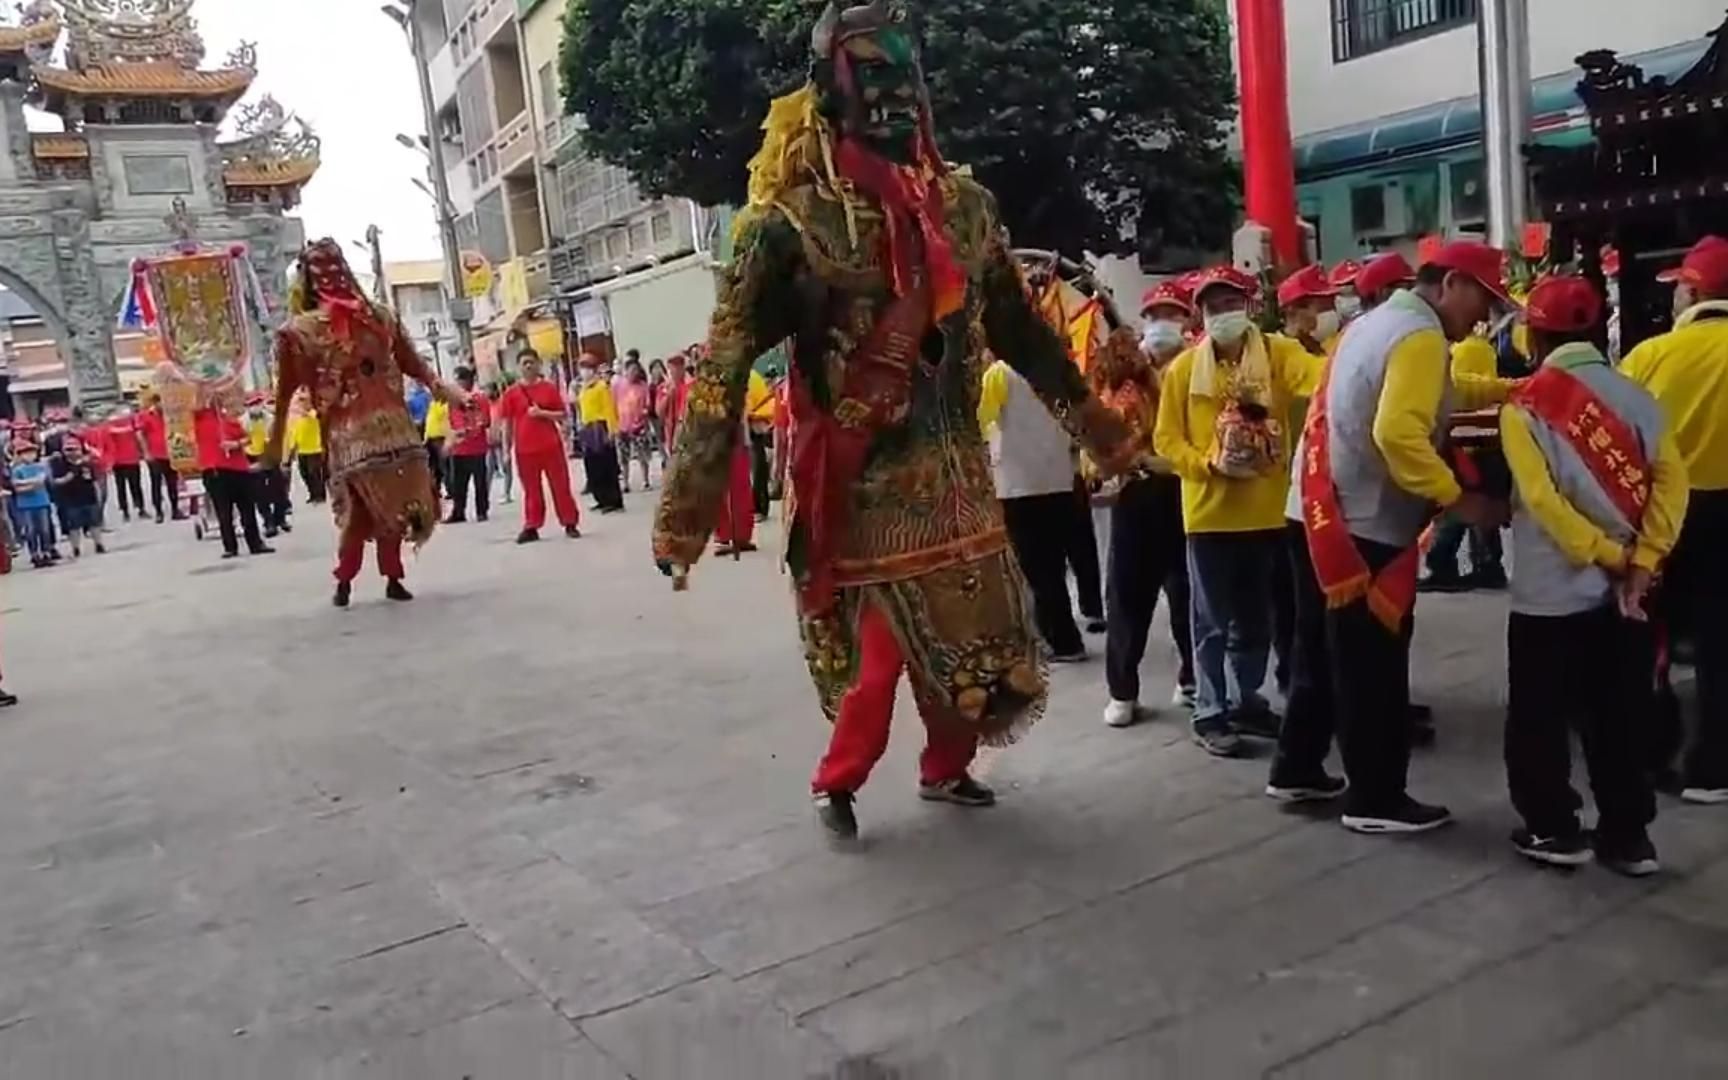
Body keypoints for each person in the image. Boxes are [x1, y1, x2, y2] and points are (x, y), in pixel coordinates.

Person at [651, 0, 1138, 842]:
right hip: (863, 485)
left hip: (957, 475)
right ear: (826, 91)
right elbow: (724, 362)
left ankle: (945, 770)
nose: (895, 97)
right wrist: (688, 511)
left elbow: (1022, 331)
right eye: (870, 75)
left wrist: (1098, 424)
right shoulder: (787, 226)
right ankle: (837, 781)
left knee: (979, 651)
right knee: (878, 666)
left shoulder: (965, 209)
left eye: (905, 76)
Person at [1280, 241, 1519, 833]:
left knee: (1320, 651)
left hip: (1314, 511)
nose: (1484, 316)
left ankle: (1297, 766)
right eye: (1483, 299)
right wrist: (1459, 500)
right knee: (1371, 668)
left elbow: (1435, 394)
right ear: (1452, 283)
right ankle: (1375, 799)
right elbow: (1400, 432)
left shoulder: (1378, 322)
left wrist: (1508, 390)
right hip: (1363, 524)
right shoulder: (1419, 337)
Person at [1498, 274, 1686, 876]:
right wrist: (1642, 563)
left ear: (1536, 335)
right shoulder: (1638, 398)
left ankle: (1554, 828)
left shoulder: (1525, 405)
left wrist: (1606, 555)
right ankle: (1628, 837)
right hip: (1624, 596)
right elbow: (1671, 484)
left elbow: (1543, 502)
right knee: (1619, 713)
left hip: (1550, 595)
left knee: (1539, 716)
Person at [1153, 265, 1321, 757]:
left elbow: (1318, 379)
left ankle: (1248, 699)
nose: (1223, 314)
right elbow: (1166, 438)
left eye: (1231, 305)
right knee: (1209, 621)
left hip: (1267, 512)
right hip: (1208, 514)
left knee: (1257, 621)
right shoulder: (1185, 369)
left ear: (1249, 308)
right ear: (1200, 315)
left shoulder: (1276, 355)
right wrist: (1205, 464)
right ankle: (1210, 710)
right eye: (1213, 307)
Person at [265, 239, 463, 606]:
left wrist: (275, 439)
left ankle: (346, 582)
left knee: (357, 518)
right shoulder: (381, 316)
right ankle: (390, 578)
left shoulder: (299, 332)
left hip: (349, 439)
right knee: (393, 511)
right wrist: (441, 388)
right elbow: (415, 364)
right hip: (397, 433)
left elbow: (285, 392)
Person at [1623, 235, 1728, 805]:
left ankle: (1648, 756)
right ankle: (1715, 767)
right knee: (1721, 642)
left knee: (1652, 638)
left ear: (1695, 290)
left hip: (1667, 515)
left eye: (1679, 288)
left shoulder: (1649, 355)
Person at [1098, 306, 1190, 727]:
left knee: (1188, 592)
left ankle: (1192, 678)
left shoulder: (1197, 366)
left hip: (1186, 487)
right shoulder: (1126, 374)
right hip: (1136, 493)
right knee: (1127, 594)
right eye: (1155, 315)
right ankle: (1123, 690)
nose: (1162, 324)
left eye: (1172, 315)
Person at [979, 353, 1099, 661]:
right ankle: (1062, 635)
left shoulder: (999, 375)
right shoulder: (1055, 370)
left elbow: (981, 422)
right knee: (1054, 565)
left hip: (1019, 485)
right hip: (1058, 480)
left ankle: (1062, 641)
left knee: (1037, 569)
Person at [498, 350, 581, 542]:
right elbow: (507, 424)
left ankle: (570, 522)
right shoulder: (511, 394)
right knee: (531, 490)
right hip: (524, 450)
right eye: (524, 363)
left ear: (538, 364)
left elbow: (562, 415)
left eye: (531, 362)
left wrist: (542, 413)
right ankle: (532, 525)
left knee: (561, 486)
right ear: (518, 367)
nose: (528, 366)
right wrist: (506, 450)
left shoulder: (549, 389)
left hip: (551, 446)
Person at [194, 399, 271, 560]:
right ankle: (230, 547)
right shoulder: (198, 419)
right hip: (214, 470)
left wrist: (235, 444)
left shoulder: (228, 420)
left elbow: (246, 438)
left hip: (238, 469)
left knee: (247, 508)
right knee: (224, 511)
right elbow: (195, 402)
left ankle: (255, 543)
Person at [575, 355, 625, 515]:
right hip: (587, 428)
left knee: (606, 465)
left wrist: (612, 430)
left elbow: (609, 408)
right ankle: (601, 498)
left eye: (587, 367)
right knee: (593, 466)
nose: (584, 371)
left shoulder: (602, 386)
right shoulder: (583, 388)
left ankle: (613, 500)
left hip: (601, 426)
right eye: (582, 367)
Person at [445, 365, 493, 523]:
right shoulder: (453, 401)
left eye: (460, 380)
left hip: (476, 447)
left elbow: (485, 420)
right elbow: (451, 421)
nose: (458, 384)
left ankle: (482, 510)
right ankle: (458, 511)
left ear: (467, 381)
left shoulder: (480, 398)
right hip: (459, 448)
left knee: (480, 481)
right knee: (458, 483)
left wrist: (470, 430)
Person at [244, 394, 291, 538]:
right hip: (252, 457)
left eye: (257, 403)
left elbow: (283, 439)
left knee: (279, 490)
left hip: (270, 455)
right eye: (252, 404)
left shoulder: (271, 420)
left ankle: (280, 518)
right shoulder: (242, 422)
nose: (255, 407)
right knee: (259, 493)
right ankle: (268, 522)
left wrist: (284, 460)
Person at [49, 437, 105, 557]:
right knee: (73, 526)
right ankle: (75, 548)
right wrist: (68, 476)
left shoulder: (87, 463)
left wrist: (99, 494)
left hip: (89, 496)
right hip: (70, 499)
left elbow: (94, 479)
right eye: (69, 449)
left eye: (75, 449)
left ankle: (99, 544)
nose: (72, 452)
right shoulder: (59, 464)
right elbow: (55, 481)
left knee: (94, 523)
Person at [10, 440, 56, 567]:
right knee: (31, 531)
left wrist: (25, 483)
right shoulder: (17, 469)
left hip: (42, 502)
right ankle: (35, 554)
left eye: (31, 452)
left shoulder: (41, 466)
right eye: (25, 453)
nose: (29, 456)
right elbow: (16, 486)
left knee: (44, 530)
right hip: (26, 505)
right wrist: (31, 484)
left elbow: (41, 480)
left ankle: (46, 552)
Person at [137, 393, 183, 523]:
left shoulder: (170, 416)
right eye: (161, 403)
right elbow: (141, 435)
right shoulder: (146, 416)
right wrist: (146, 452)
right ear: (156, 402)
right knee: (156, 483)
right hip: (155, 455)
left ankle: (175, 509)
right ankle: (158, 511)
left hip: (171, 453)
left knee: (172, 483)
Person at [614, 357, 654, 492]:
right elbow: (613, 403)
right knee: (623, 457)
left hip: (639, 425)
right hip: (623, 425)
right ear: (626, 371)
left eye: (635, 370)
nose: (633, 373)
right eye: (630, 370)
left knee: (642, 454)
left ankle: (645, 480)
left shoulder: (643, 386)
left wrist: (644, 413)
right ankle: (625, 483)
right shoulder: (618, 385)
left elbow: (648, 404)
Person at [102, 403, 146, 523]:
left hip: (120, 461)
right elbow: (139, 437)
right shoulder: (131, 421)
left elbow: (108, 445)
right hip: (130, 459)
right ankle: (140, 508)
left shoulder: (109, 425)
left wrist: (109, 462)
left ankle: (126, 511)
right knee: (135, 485)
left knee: (121, 487)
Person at [744, 365, 778, 519]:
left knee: (757, 466)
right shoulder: (752, 375)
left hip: (753, 424)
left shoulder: (749, 378)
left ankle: (759, 507)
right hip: (753, 423)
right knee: (757, 466)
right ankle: (757, 506)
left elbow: (749, 406)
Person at [288, 396, 328, 505]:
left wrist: (306, 411)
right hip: (302, 450)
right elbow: (295, 433)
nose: (302, 406)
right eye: (300, 404)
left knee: (313, 473)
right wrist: (293, 448)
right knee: (304, 473)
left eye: (305, 403)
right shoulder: (298, 419)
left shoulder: (313, 414)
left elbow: (316, 416)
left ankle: (320, 495)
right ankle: (312, 494)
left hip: (314, 449)